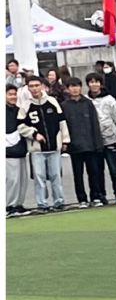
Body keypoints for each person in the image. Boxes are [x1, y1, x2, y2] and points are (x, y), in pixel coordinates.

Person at [60, 77, 109, 207]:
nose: (75, 89)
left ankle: (95, 196)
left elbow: (95, 124)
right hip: (75, 145)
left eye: (77, 86)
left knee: (93, 172)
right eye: (72, 86)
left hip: (90, 144)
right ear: (67, 89)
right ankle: (82, 199)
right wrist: (65, 144)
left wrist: (98, 144)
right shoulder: (64, 106)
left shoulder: (88, 103)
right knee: (78, 174)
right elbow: (63, 126)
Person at [21, 77, 65, 210]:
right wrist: (34, 134)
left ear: (42, 86)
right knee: (39, 177)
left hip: (54, 147)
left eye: (37, 85)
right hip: (37, 149)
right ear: (28, 88)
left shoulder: (52, 101)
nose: (34, 88)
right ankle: (42, 203)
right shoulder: (25, 105)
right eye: (31, 86)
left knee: (56, 175)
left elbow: (62, 122)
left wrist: (65, 140)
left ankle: (59, 201)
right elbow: (20, 126)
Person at [6, 84, 29, 215]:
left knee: (22, 180)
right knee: (12, 180)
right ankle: (9, 206)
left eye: (14, 94)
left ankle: (19, 204)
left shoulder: (19, 110)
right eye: (10, 94)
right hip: (8, 151)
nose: (13, 97)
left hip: (21, 149)